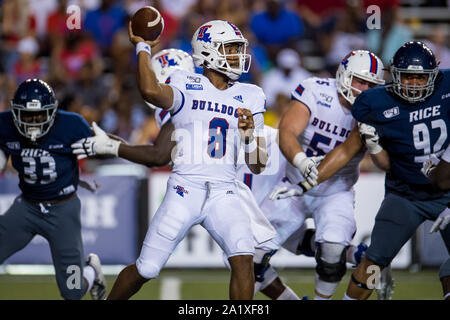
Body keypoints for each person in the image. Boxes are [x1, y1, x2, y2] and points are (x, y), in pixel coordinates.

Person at [72, 20, 274, 300]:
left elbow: (258, 164)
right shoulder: (185, 82)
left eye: (238, 49)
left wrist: (250, 136)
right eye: (230, 49)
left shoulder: (251, 95)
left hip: (225, 191)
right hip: (185, 189)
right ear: (208, 51)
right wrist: (142, 46)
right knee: (147, 268)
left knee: (243, 262)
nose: (237, 56)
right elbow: (150, 92)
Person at [297, 41, 450, 300]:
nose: (413, 84)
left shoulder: (446, 86)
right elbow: (348, 149)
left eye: (420, 77)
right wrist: (307, 181)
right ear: (395, 76)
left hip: (447, 190)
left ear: (433, 76)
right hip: (405, 194)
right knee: (374, 262)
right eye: (407, 77)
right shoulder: (375, 103)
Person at [253, 50, 386, 300]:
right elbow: (287, 132)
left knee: (332, 251)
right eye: (360, 80)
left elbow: (358, 155)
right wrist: (301, 161)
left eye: (371, 84)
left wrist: (376, 145)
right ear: (344, 75)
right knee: (249, 259)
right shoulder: (316, 91)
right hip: (291, 185)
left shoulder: (375, 110)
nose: (365, 89)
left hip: (336, 191)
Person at [0, 78, 106, 300]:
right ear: (15, 112)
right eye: (27, 116)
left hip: (63, 211)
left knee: (72, 291)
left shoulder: (71, 125)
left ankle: (91, 269)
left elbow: (102, 147)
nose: (33, 122)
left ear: (52, 112)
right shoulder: (5, 124)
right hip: (26, 208)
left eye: (39, 115)